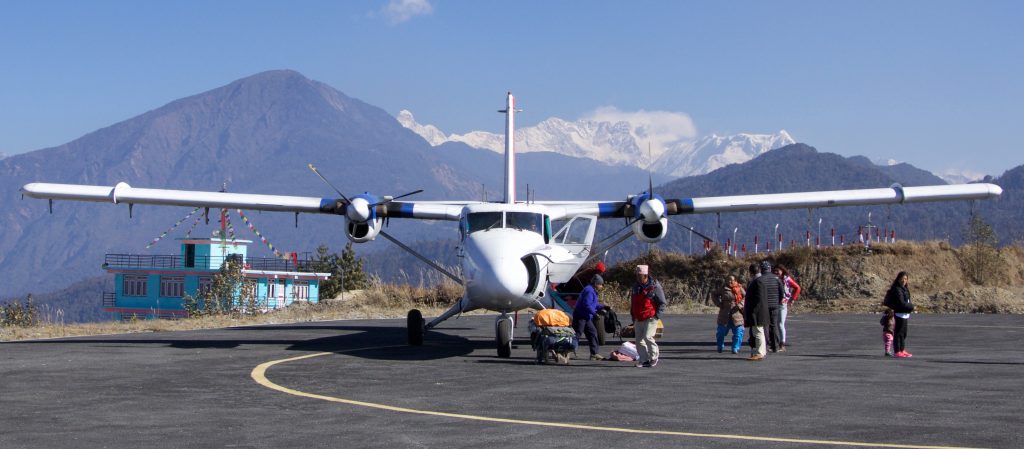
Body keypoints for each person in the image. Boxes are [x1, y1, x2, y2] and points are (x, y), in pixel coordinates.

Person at [745, 261, 783, 361]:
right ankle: (774, 346)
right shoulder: (776, 279)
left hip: (761, 308)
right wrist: (777, 302)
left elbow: (758, 297)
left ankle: (761, 350)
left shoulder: (759, 280)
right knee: (772, 326)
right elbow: (781, 293)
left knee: (760, 329)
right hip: (773, 305)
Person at [630, 264, 666, 368]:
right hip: (638, 317)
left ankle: (654, 356)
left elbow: (662, 303)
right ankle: (644, 360)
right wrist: (633, 315)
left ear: (645, 276)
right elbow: (633, 302)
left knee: (648, 337)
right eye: (637, 275)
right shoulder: (635, 287)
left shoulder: (655, 287)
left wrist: (657, 316)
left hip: (651, 316)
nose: (637, 278)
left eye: (639, 276)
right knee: (639, 340)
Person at [572, 274, 607, 360]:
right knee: (577, 334)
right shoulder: (589, 291)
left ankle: (594, 353)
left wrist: (603, 306)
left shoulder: (591, 290)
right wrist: (594, 314)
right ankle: (567, 350)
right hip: (580, 316)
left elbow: (593, 304)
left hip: (586, 316)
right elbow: (587, 305)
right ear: (596, 283)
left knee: (592, 332)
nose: (601, 286)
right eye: (600, 284)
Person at [712, 275, 745, 354]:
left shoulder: (740, 288)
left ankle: (735, 347)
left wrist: (740, 305)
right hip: (724, 314)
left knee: (738, 333)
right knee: (721, 332)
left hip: (737, 314)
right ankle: (720, 346)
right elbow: (714, 294)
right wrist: (718, 303)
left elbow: (746, 297)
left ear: (735, 280)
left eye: (732, 280)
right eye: (728, 280)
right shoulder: (723, 288)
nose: (730, 282)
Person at [883, 271, 914, 358]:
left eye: (905, 279)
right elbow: (901, 303)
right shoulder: (897, 289)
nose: (904, 280)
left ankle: (902, 349)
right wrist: (911, 307)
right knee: (898, 333)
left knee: (904, 333)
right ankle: (897, 351)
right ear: (898, 279)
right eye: (902, 278)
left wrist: (909, 307)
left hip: (905, 314)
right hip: (899, 313)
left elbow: (907, 301)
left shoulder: (905, 289)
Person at [772, 264, 801, 350]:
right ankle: (774, 341)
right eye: (774, 271)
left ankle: (782, 342)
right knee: (773, 324)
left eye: (778, 271)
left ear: (782, 271)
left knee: (780, 323)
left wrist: (792, 299)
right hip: (773, 303)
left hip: (782, 304)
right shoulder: (772, 279)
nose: (776, 272)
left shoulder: (786, 279)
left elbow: (797, 288)